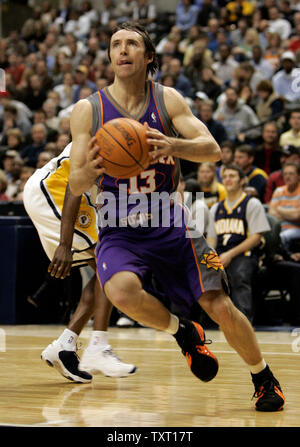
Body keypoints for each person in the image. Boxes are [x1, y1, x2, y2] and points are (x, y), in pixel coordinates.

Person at [68, 22, 285, 411]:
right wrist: (95, 168)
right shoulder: (89, 109)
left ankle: (264, 377)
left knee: (218, 305)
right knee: (119, 291)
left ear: (148, 56)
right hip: (119, 223)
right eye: (115, 44)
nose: (122, 50)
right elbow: (77, 183)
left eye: (131, 43)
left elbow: (213, 149)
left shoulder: (167, 100)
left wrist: (174, 144)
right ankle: (183, 331)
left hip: (170, 220)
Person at [23, 142, 136, 382]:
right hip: (53, 189)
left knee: (108, 272)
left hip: (66, 195)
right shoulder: (109, 133)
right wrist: (64, 245)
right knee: (110, 267)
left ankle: (65, 345)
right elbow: (74, 188)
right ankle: (97, 345)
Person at [206, 164, 270, 323]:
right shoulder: (216, 208)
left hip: (245, 254)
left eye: (232, 176)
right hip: (221, 254)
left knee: (239, 274)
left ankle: (243, 322)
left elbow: (256, 237)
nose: (228, 179)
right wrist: (210, 259)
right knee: (203, 273)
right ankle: (205, 322)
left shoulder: (252, 203)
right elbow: (211, 239)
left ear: (242, 181)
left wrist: (229, 255)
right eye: (225, 176)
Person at [268, 161, 300, 253]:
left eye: (291, 174)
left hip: (296, 229)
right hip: (279, 227)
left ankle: (288, 258)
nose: (287, 176)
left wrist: (279, 209)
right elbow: (271, 214)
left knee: (282, 237)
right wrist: (291, 212)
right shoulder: (279, 191)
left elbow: (297, 215)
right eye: (285, 174)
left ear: (298, 176)